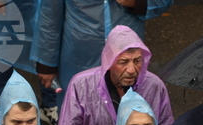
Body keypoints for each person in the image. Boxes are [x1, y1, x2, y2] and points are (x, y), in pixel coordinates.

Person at [57, 27, 175, 125]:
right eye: (123, 62)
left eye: (137, 61)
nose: (131, 69)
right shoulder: (82, 85)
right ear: (109, 62)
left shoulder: (154, 86)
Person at [34, 0, 173, 92]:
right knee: (77, 115)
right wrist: (46, 64)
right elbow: (49, 17)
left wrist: (137, 2)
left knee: (127, 115)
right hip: (79, 59)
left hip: (126, 55)